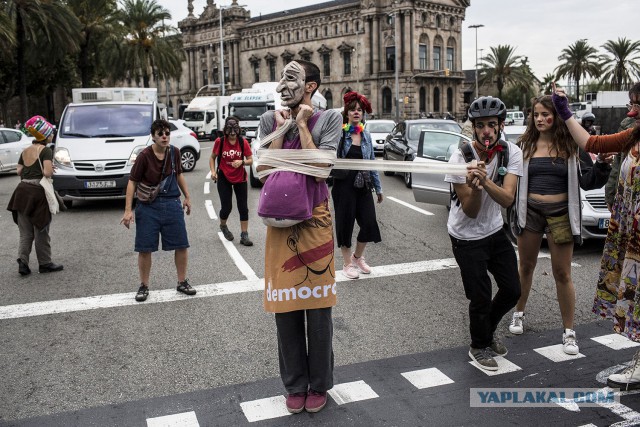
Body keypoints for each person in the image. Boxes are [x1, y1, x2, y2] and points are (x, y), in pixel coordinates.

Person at [256, 60, 342, 413]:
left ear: (311, 87)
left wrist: (303, 125)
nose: (281, 87)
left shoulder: (330, 119)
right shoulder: (267, 121)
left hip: (316, 223)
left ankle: (319, 384)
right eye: (281, 80)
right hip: (279, 223)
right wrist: (280, 130)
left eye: (290, 79)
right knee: (285, 310)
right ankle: (294, 385)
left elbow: (322, 168)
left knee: (318, 311)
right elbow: (261, 170)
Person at [552, 81, 640, 390]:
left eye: (637, 104)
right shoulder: (634, 134)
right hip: (633, 233)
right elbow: (592, 144)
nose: (632, 110)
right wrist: (564, 111)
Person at [508, 95, 611, 356]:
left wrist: (602, 165)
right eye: (536, 114)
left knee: (562, 273)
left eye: (546, 114)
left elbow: (589, 182)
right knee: (526, 266)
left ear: (556, 116)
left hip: (561, 215)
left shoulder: (572, 146)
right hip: (529, 212)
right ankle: (518, 313)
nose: (540, 119)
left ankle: (569, 332)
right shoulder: (524, 145)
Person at [445, 96, 523, 371]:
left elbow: (507, 199)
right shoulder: (461, 157)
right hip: (465, 237)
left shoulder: (511, 152)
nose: (486, 131)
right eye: (480, 126)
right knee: (479, 295)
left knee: (513, 289)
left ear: (501, 125)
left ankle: (485, 333)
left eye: (491, 124)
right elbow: (470, 210)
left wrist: (485, 180)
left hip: (493, 231)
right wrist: (475, 187)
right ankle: (478, 345)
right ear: (474, 128)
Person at [120, 119, 196, 302]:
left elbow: (178, 174)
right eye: (160, 133)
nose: (164, 136)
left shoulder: (174, 153)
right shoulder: (144, 156)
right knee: (145, 248)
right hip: (148, 207)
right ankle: (144, 286)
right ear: (153, 136)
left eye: (167, 133)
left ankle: (182, 282)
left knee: (181, 245)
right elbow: (132, 182)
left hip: (171, 204)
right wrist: (128, 210)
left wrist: (187, 196)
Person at [332, 91, 383, 280]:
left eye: (359, 110)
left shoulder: (367, 136)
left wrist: (378, 188)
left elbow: (371, 163)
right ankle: (347, 264)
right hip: (343, 185)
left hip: (363, 184)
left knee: (369, 223)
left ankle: (357, 257)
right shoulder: (340, 134)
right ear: (346, 113)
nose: (356, 112)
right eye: (352, 110)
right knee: (345, 224)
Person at [6, 115, 64, 276]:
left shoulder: (26, 150)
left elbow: (19, 170)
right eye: (50, 133)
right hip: (37, 192)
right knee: (41, 228)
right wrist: (50, 168)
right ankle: (45, 263)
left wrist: (30, 171)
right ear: (45, 135)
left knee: (25, 232)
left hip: (21, 191)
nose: (52, 135)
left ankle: (23, 263)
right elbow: (46, 172)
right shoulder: (45, 150)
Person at [209, 116, 254, 246]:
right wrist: (213, 172)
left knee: (243, 207)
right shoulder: (220, 141)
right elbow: (212, 158)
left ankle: (244, 235)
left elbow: (251, 160)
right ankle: (223, 226)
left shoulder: (242, 142)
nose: (233, 134)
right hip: (224, 176)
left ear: (238, 130)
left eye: (235, 131)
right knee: (226, 207)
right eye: (230, 131)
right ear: (226, 130)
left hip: (240, 177)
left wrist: (242, 162)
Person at [604, 116, 636, 211]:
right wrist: (610, 196)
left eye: (637, 105)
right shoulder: (626, 125)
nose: (632, 111)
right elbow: (617, 165)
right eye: (631, 104)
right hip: (626, 199)